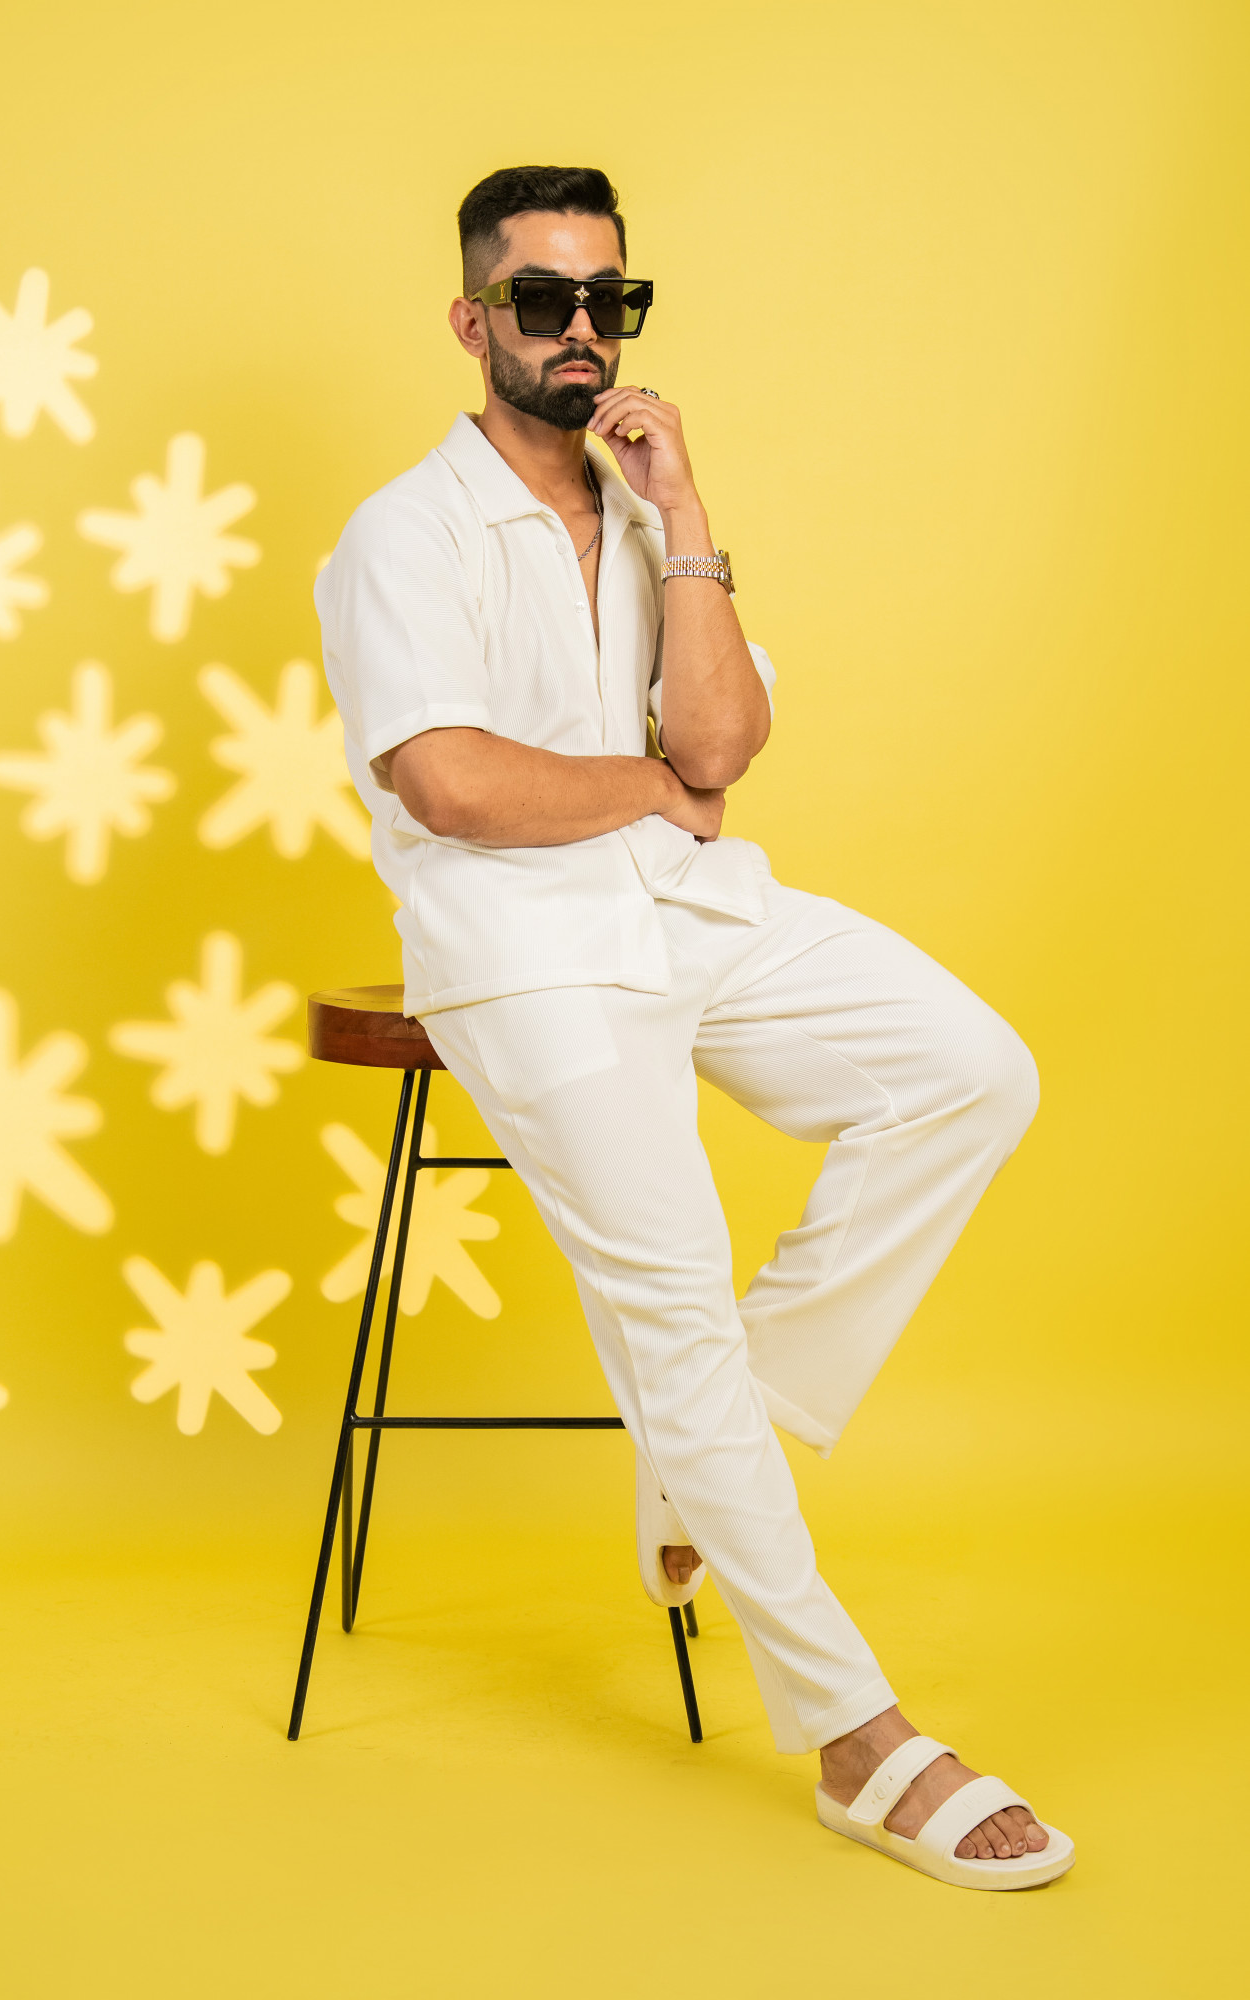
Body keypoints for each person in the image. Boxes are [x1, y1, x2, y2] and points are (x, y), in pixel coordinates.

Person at [314, 164, 1073, 1891]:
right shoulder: (401, 535)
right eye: (541, 300)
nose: (580, 332)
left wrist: (692, 515)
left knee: (969, 1074)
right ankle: (856, 1738)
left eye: (609, 302)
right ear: (471, 321)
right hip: (523, 954)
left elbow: (722, 750)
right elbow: (449, 781)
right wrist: (651, 785)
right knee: (669, 1294)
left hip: (693, 912)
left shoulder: (651, 521)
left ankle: (712, 1441)